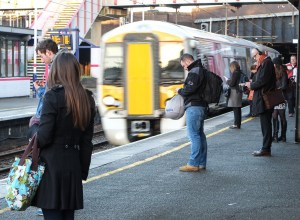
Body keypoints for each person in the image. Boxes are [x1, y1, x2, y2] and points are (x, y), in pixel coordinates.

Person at [31, 51, 96, 220]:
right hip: (73, 167)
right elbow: (87, 142)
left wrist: (33, 128)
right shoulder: (87, 99)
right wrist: (82, 171)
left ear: (56, 71)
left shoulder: (52, 97)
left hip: (51, 169)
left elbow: (43, 138)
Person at [177, 53, 208, 172]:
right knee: (200, 135)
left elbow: (190, 89)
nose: (184, 68)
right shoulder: (201, 69)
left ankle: (193, 163)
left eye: (183, 65)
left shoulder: (194, 71)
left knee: (194, 135)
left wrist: (180, 90)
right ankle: (201, 163)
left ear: (187, 61)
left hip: (194, 107)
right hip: (201, 106)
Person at [245, 48, 276, 157]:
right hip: (263, 98)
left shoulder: (266, 63)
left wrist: (251, 85)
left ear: (259, 54)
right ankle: (265, 147)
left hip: (264, 99)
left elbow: (262, 80)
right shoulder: (264, 63)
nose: (255, 59)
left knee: (266, 124)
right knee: (265, 124)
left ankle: (266, 148)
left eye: (255, 56)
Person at [27, 39, 58, 139]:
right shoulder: (58, 65)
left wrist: (38, 89)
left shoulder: (55, 68)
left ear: (48, 52)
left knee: (34, 129)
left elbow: (48, 97)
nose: (41, 60)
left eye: (41, 56)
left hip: (47, 116)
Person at [272, 57, 288, 142]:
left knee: (282, 117)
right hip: (275, 97)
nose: (273, 65)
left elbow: (284, 86)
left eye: (274, 64)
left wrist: (276, 89)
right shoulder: (274, 73)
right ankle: (275, 135)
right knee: (274, 116)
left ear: (276, 64)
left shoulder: (283, 73)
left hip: (281, 97)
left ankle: (283, 136)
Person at [226, 61, 243, 129]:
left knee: (235, 108)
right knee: (238, 108)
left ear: (233, 66)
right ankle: (238, 124)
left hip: (234, 92)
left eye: (230, 67)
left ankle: (236, 124)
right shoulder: (240, 72)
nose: (230, 69)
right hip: (238, 91)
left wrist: (227, 81)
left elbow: (232, 84)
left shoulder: (235, 73)